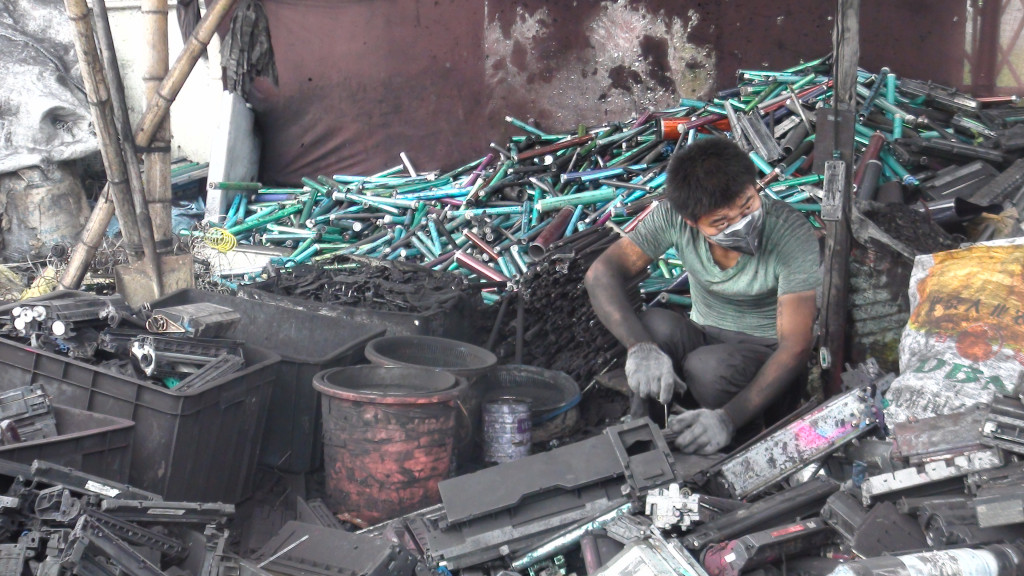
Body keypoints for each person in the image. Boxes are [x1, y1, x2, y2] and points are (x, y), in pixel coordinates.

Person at [583, 136, 820, 455]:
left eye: (748, 206)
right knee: (653, 327)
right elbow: (601, 274)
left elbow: (796, 346)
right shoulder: (672, 218)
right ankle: (644, 436)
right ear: (691, 222)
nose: (742, 225)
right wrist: (640, 348)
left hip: (767, 358)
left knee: (707, 368)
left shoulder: (790, 233)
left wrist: (728, 419)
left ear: (755, 187)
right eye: (721, 222)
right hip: (705, 335)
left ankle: (739, 440)